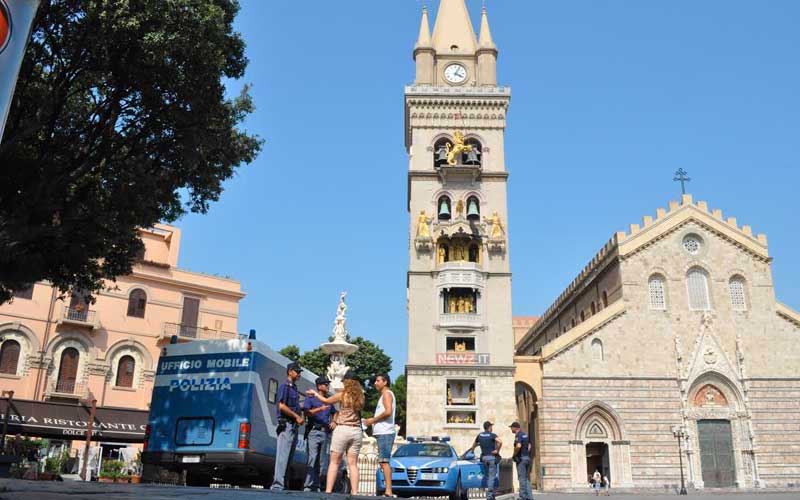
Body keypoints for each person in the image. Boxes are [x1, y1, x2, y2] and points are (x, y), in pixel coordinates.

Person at [306, 369, 364, 494]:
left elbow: (326, 401)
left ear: (347, 382)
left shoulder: (343, 395)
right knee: (353, 463)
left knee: (334, 462)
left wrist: (315, 394)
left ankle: (328, 491)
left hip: (343, 429)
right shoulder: (361, 396)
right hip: (356, 431)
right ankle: (355, 492)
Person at [271, 362, 304, 490]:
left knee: (288, 458)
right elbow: (281, 405)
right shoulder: (285, 387)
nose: (299, 374)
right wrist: (296, 416)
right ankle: (277, 486)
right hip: (286, 424)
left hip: (293, 426)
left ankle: (283, 485)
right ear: (290, 371)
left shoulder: (294, 388)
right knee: (282, 456)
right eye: (297, 371)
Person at [302, 376, 337, 492]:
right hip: (313, 431)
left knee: (321, 461)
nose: (328, 386)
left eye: (328, 384)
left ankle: (316, 485)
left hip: (325, 433)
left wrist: (334, 421)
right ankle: (308, 485)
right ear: (319, 386)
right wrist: (320, 409)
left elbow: (335, 413)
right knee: (312, 458)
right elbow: (306, 412)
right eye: (325, 384)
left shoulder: (329, 400)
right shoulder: (311, 398)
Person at [365, 373, 395, 497]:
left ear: (385, 382)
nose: (375, 383)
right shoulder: (384, 395)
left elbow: (388, 412)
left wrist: (373, 420)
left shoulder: (387, 394)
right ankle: (388, 489)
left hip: (385, 432)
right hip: (383, 432)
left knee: (384, 461)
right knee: (383, 462)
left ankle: (388, 490)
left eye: (378, 381)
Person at [466, 421, 502, 500]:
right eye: (491, 426)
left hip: (484, 458)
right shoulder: (492, 435)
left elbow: (474, 445)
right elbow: (500, 441)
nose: (492, 428)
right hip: (491, 457)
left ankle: (491, 495)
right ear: (489, 427)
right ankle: (489, 496)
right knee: (492, 477)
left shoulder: (480, 435)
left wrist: (472, 451)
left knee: (488, 477)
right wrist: (497, 450)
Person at [510, 422, 533, 500]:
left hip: (521, 459)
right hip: (527, 458)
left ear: (515, 428)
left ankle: (522, 497)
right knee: (526, 478)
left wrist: (514, 454)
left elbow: (518, 446)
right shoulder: (525, 434)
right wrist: (526, 452)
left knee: (521, 478)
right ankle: (530, 497)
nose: (511, 429)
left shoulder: (518, 435)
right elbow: (529, 445)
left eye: (511, 427)